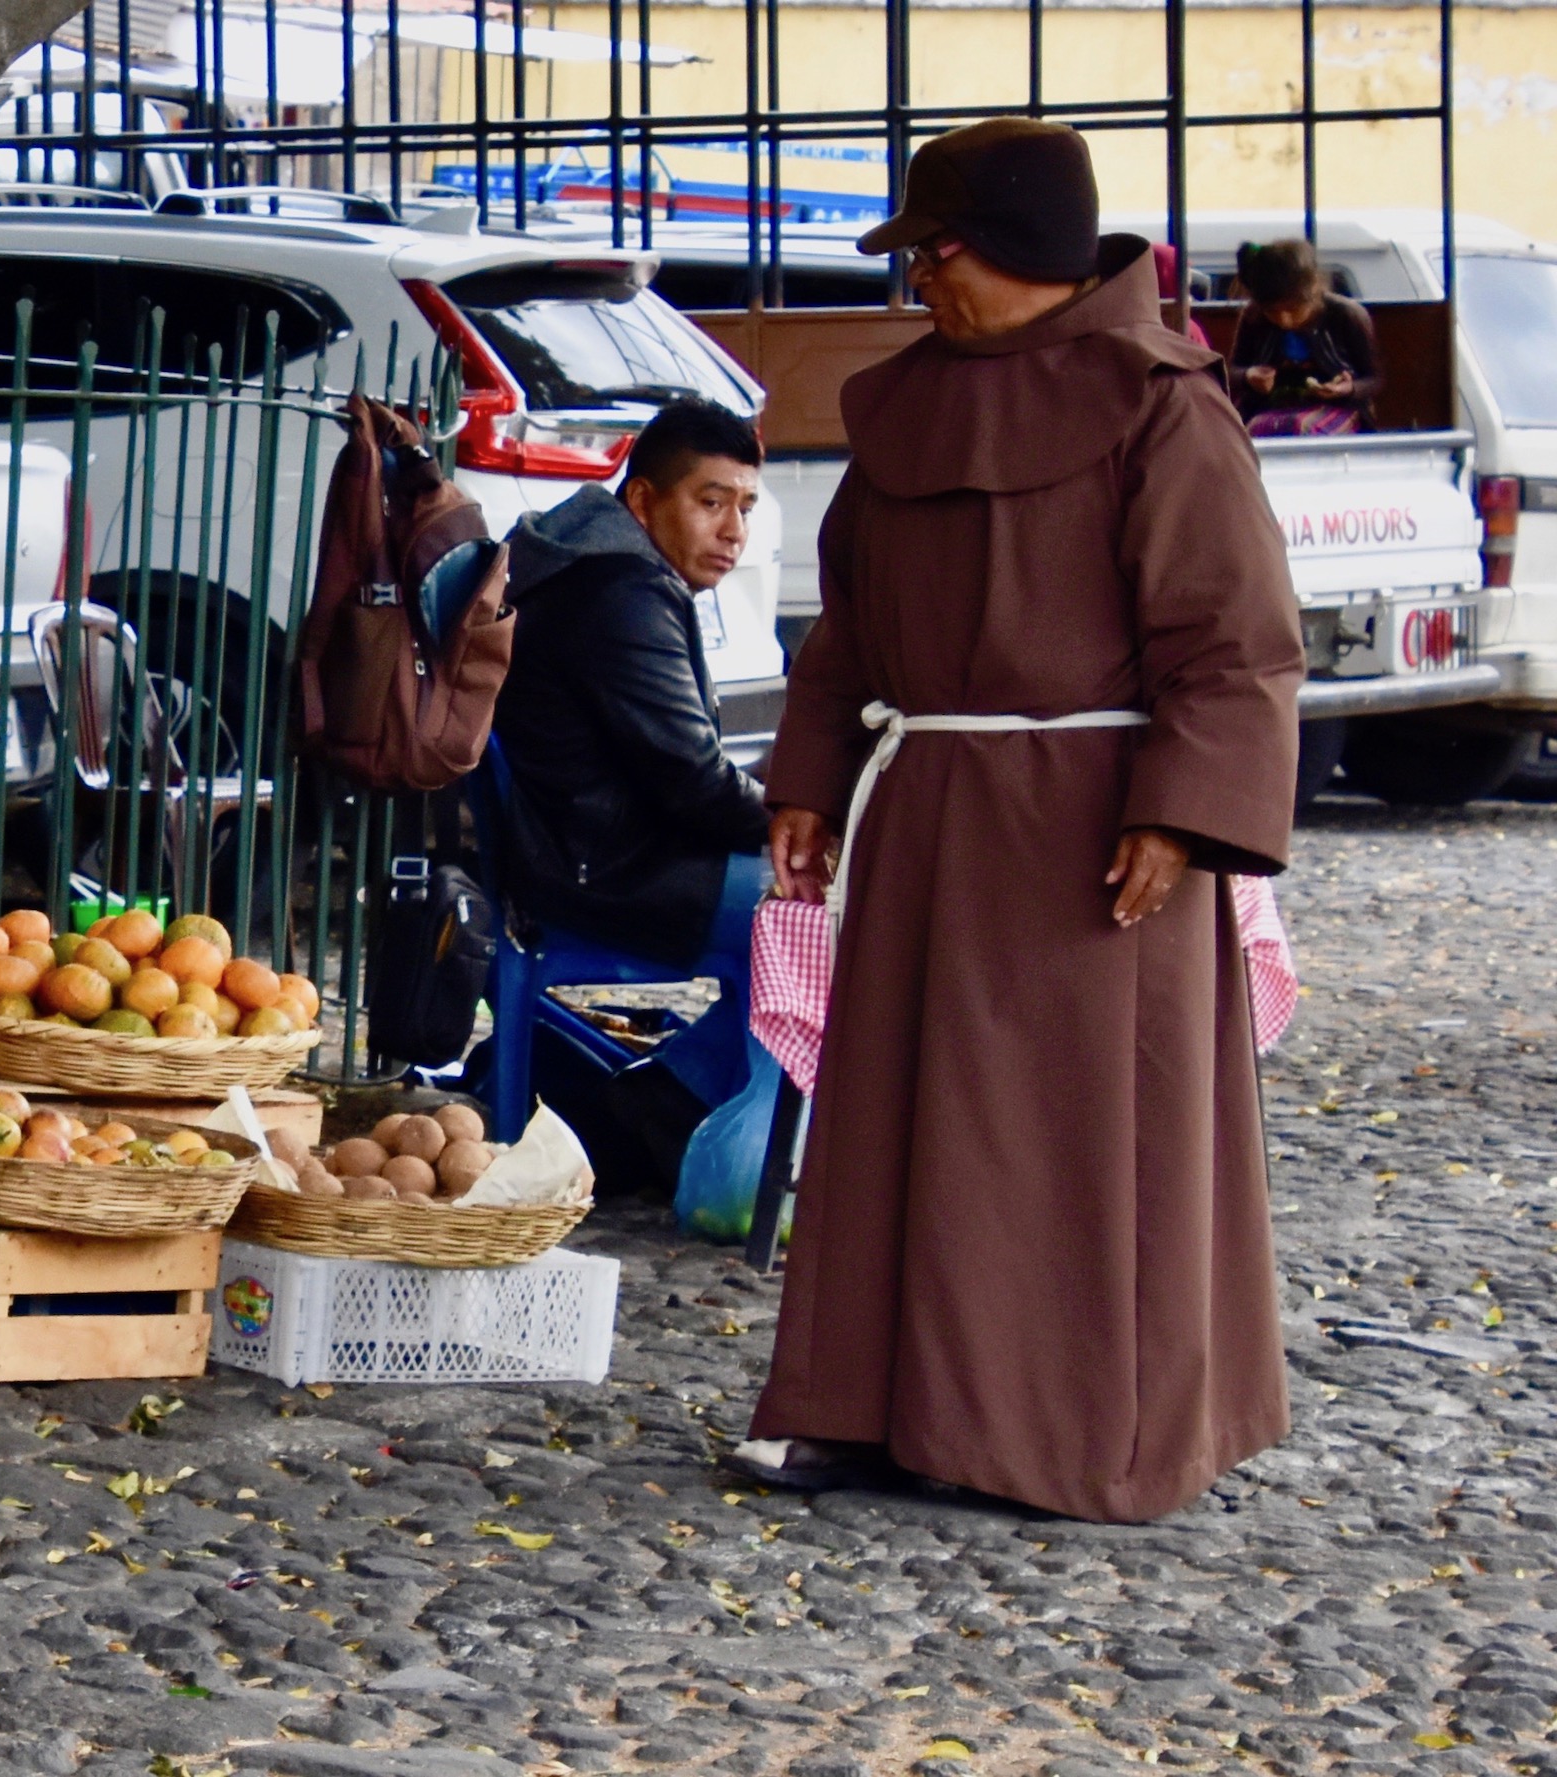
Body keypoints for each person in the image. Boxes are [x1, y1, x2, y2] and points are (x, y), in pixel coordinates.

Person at [740, 119, 1305, 1522]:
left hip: (1093, 833)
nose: (915, 285)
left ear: (1006, 252)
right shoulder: (901, 413)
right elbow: (848, 628)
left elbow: (1237, 647)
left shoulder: (1168, 407)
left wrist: (1181, 814)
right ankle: (869, 1408)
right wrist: (809, 783)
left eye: (930, 256)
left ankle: (1067, 1434)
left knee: (1065, 1138)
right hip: (926, 811)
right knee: (892, 1123)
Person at [488, 396, 772, 1122]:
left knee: (819, 899)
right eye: (711, 502)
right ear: (643, 499)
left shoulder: (604, 562)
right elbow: (696, 785)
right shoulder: (620, 592)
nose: (733, 530)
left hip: (599, 848)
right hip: (609, 870)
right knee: (831, 911)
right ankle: (710, 1123)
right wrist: (801, 825)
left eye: (745, 506)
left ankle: (664, 1106)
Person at [1225, 237, 1376, 437]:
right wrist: (1249, 376)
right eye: (1272, 312)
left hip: (1338, 409)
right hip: (1268, 410)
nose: (1284, 320)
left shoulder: (1347, 314)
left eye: (1293, 310)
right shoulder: (1254, 315)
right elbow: (1232, 370)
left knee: (1299, 428)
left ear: (1313, 289)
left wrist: (1348, 388)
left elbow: (1374, 378)